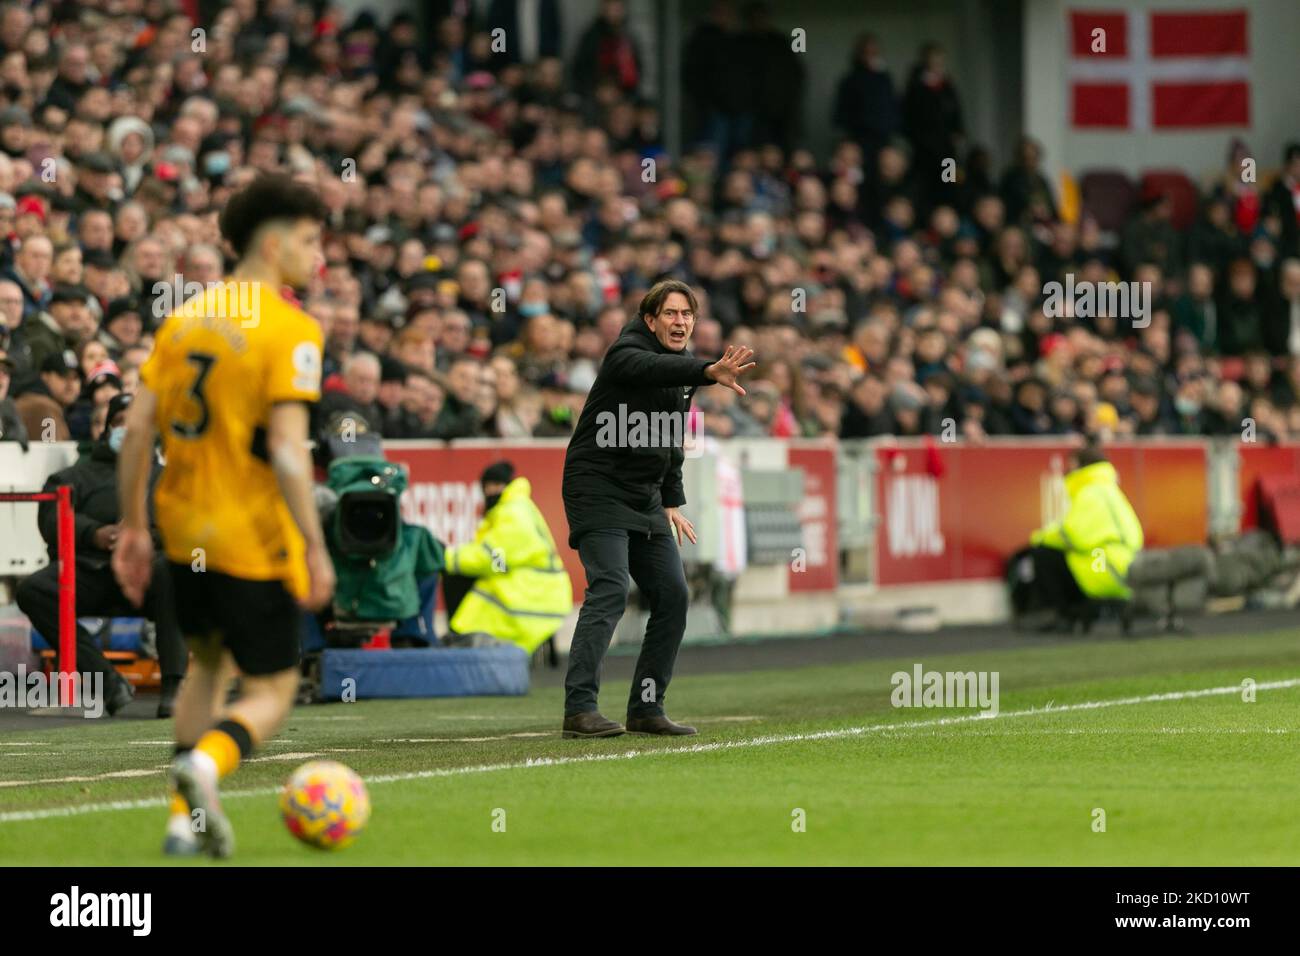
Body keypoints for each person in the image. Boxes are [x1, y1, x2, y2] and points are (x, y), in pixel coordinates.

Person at [113, 174, 334, 859]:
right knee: (272, 687)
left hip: (184, 531)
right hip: (252, 536)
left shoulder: (183, 319)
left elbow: (138, 428)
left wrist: (132, 527)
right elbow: (292, 456)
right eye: (309, 240)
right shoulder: (290, 328)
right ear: (271, 243)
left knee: (207, 668)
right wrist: (316, 546)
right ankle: (207, 765)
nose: (318, 257)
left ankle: (186, 823)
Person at [560, 279, 755, 738]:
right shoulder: (627, 352)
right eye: (671, 313)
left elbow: (672, 444)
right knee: (610, 588)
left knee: (673, 595)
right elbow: (646, 368)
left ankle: (647, 706)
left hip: (644, 497)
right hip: (597, 487)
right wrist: (706, 372)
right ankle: (579, 709)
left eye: (687, 315)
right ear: (650, 320)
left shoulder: (681, 369)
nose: (680, 322)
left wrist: (670, 500)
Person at [15, 393, 184, 718]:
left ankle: (174, 687)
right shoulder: (77, 474)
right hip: (92, 572)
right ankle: (108, 682)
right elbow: (51, 515)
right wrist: (94, 533)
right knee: (33, 590)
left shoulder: (168, 479)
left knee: (174, 572)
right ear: (106, 430)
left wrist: (144, 537)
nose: (129, 429)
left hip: (150, 578)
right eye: (120, 422)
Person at [443, 461, 573, 658]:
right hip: (539, 588)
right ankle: (462, 639)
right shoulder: (517, 507)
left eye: (496, 485)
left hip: (533, 593)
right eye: (487, 487)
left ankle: (461, 641)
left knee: (456, 576)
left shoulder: (511, 512)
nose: (491, 491)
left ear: (507, 485)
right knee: (467, 575)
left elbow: (493, 559)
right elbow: (499, 559)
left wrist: (447, 557)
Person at [1015, 443, 1144, 625]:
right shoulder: (1109, 490)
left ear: (1081, 465)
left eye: (1072, 464)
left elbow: (1070, 535)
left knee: (1044, 553)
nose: (1068, 470)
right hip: (1123, 566)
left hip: (1102, 566)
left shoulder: (1089, 493)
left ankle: (1064, 614)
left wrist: (1040, 537)